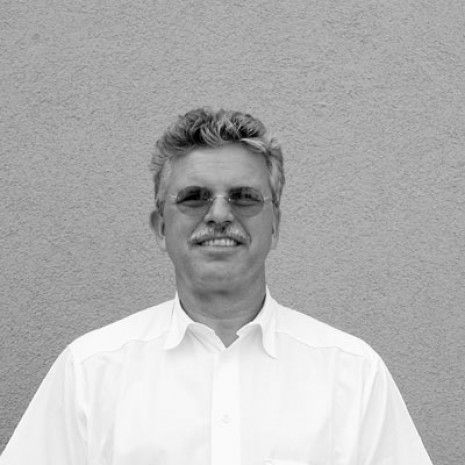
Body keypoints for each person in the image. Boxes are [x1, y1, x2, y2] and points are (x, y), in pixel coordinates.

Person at [0, 108, 433, 465]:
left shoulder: (352, 374)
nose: (220, 215)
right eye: (194, 197)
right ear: (160, 227)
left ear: (275, 226)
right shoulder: (90, 371)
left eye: (244, 197)